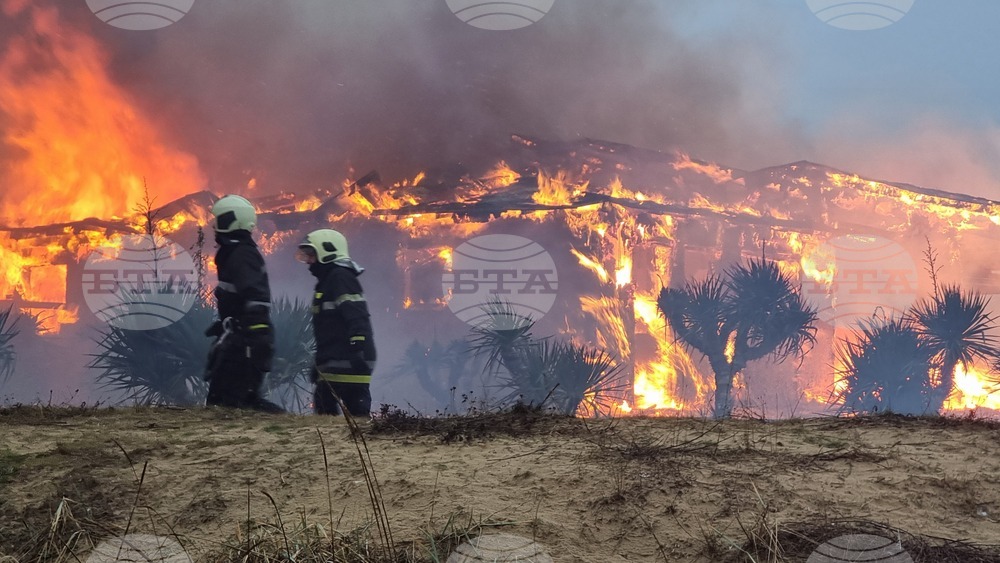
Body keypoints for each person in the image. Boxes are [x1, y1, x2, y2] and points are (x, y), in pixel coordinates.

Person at [204, 194, 282, 413]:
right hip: (238, 337)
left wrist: (252, 333)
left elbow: (255, 297)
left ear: (232, 220)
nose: (215, 226)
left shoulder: (242, 254)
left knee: (238, 404)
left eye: (220, 220)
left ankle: (282, 430)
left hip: (247, 340)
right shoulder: (234, 252)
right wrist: (225, 323)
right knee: (224, 401)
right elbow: (237, 297)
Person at [296, 228, 376, 417]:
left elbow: (356, 314)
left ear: (327, 251)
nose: (308, 261)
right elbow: (329, 330)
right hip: (334, 363)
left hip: (350, 361)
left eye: (312, 255)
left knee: (356, 420)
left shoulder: (340, 277)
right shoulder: (328, 280)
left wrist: (358, 344)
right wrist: (320, 363)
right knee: (326, 418)